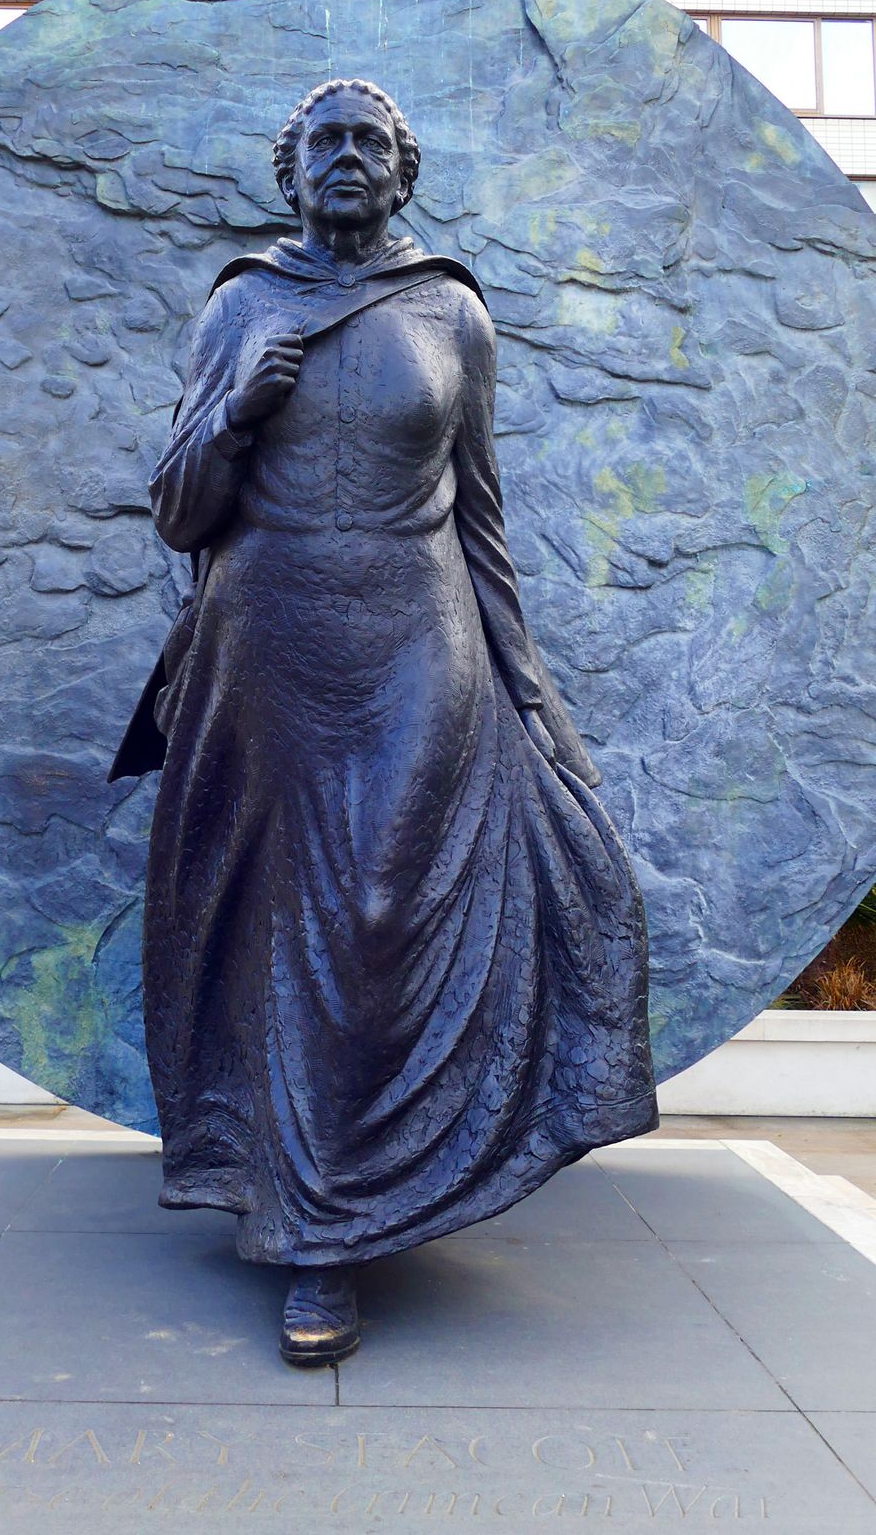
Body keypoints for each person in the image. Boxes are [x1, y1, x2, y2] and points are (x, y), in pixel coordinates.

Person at [111, 79, 658, 1367]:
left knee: (376, 919)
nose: (346, 159)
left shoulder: (451, 312)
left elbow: (482, 521)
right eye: (324, 143)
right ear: (288, 169)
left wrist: (535, 700)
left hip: (422, 645)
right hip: (268, 651)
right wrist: (240, 399)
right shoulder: (240, 304)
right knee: (277, 926)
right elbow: (180, 513)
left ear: (402, 173)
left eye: (370, 143)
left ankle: (373, 1191)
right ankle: (316, 1240)